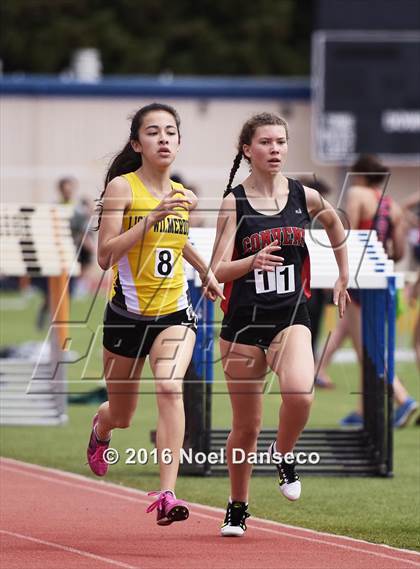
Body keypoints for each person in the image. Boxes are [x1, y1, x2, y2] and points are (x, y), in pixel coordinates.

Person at [210, 113, 350, 537]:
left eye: (281, 142)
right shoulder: (233, 202)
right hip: (242, 324)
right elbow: (217, 269)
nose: (275, 149)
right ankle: (237, 506)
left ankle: (283, 451)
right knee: (246, 427)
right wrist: (251, 261)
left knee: (300, 395)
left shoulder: (302, 195)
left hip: (291, 316)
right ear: (247, 149)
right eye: (266, 142)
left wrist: (344, 274)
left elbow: (335, 224)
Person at [86, 103, 223, 526]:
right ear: (136, 143)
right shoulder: (122, 190)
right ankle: (100, 429)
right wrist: (150, 219)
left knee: (168, 386)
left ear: (179, 143)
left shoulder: (184, 195)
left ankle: (167, 492)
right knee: (122, 415)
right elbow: (105, 257)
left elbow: (176, 242)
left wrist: (206, 271)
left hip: (174, 313)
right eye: (153, 132)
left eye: (170, 132)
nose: (163, 138)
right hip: (127, 316)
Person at [316, 155, 418, 427]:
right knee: (361, 341)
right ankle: (363, 411)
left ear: (359, 174)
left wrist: (338, 271)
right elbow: (398, 252)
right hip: (383, 284)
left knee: (369, 351)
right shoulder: (391, 204)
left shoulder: (357, 193)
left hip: (359, 283)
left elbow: (345, 233)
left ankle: (403, 398)